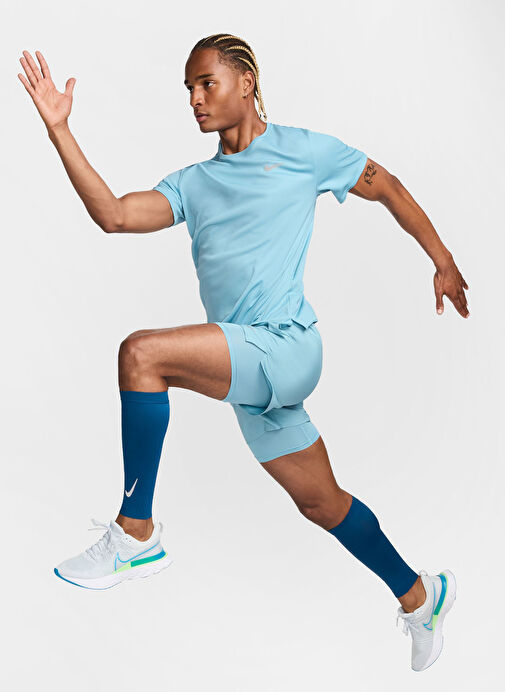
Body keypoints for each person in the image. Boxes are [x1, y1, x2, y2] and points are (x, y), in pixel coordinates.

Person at [18, 34, 468, 671]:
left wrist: (442, 260)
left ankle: (135, 533)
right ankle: (421, 598)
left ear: (246, 81)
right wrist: (60, 130)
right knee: (322, 503)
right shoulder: (193, 183)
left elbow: (386, 185)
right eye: (188, 90)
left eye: (207, 83)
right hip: (246, 366)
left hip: (284, 347)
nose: (195, 100)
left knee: (142, 355)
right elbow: (115, 215)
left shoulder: (304, 151)